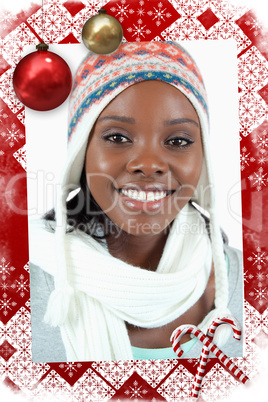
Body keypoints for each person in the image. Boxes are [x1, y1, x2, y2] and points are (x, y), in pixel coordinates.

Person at [29, 41, 243, 362]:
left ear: (203, 158)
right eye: (117, 137)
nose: (148, 163)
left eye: (178, 140)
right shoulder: (19, 284)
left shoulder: (252, 282)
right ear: (81, 152)